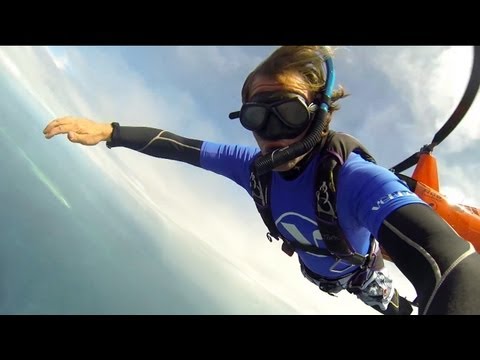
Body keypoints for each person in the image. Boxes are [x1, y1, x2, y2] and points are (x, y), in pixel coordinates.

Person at [43, 46, 480, 315]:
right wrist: (111, 131)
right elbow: (179, 145)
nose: (273, 133)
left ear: (318, 115)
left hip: (358, 271)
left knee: (381, 297)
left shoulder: (359, 179)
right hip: (323, 273)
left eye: (286, 113)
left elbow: (456, 268)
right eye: (257, 117)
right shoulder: (253, 167)